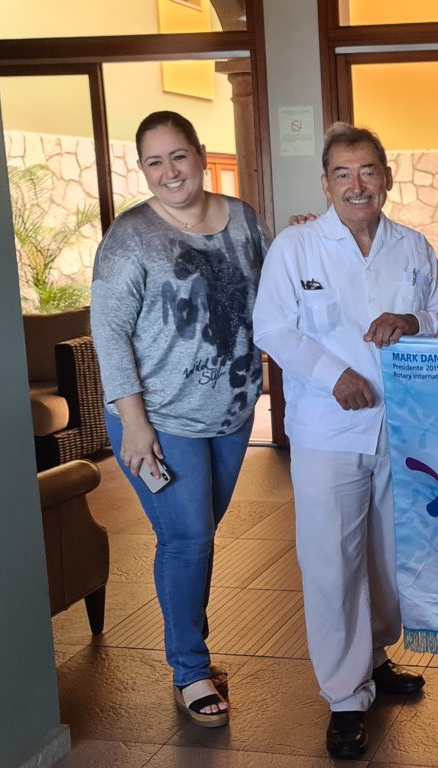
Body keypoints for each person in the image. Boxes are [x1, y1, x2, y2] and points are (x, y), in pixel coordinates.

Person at [252, 123, 438, 760]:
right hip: (326, 428)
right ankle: (344, 695)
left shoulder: (412, 246)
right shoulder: (297, 246)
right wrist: (331, 375)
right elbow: (272, 327)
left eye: (368, 171)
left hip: (402, 426)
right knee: (332, 560)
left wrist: (413, 319)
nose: (357, 185)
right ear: (326, 183)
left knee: (390, 554)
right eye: (343, 173)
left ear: (386, 177)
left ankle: (377, 657)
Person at [91, 110, 268, 728]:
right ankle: (190, 669)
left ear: (199, 153)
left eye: (178, 156)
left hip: (233, 412)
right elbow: (109, 334)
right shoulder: (130, 236)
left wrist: (304, 237)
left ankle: (191, 641)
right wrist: (135, 423)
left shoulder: (243, 217)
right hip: (159, 418)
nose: (169, 171)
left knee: (197, 537)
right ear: (143, 169)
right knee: (187, 538)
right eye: (154, 161)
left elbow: (274, 292)